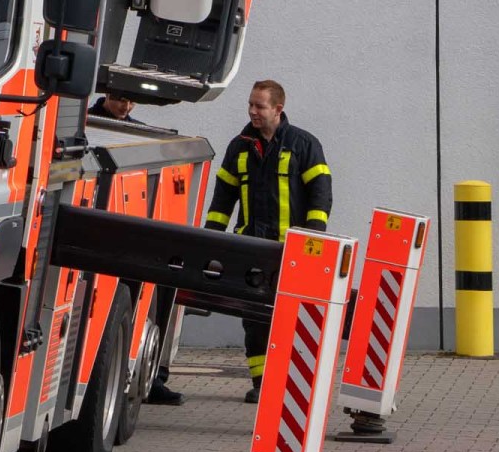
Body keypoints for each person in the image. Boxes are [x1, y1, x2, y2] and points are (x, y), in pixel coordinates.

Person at [205, 80, 332, 402]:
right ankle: (262, 383)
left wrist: (313, 241)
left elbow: (320, 195)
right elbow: (222, 200)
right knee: (254, 318)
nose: (252, 111)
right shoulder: (239, 146)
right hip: (251, 249)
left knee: (291, 317)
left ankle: (291, 380)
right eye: (250, 104)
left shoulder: (303, 144)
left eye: (259, 106)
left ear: (278, 109)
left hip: (291, 251)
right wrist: (209, 241)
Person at [88, 91, 184, 405]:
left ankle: (149, 376)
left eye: (131, 103)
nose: (126, 107)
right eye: (120, 100)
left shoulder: (138, 135)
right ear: (106, 94)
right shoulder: (87, 125)